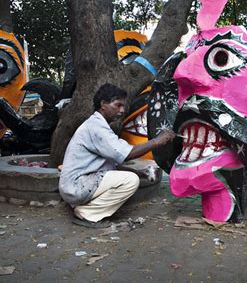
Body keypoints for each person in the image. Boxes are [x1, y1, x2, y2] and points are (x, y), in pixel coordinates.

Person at [59, 83, 175, 227]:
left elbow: (110, 163)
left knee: (130, 176)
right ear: (103, 104)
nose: (121, 110)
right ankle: (87, 214)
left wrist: (136, 171)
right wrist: (158, 141)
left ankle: (85, 209)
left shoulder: (97, 125)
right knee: (130, 181)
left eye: (123, 106)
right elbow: (127, 153)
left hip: (78, 184)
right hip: (76, 185)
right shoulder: (96, 127)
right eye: (117, 105)